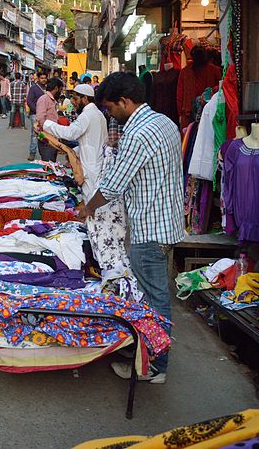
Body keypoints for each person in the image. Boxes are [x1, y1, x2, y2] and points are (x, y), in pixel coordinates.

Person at [78, 72, 184, 384]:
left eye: (111, 108)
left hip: (150, 229)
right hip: (166, 222)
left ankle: (155, 364)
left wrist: (87, 208)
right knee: (154, 293)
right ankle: (148, 353)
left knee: (153, 298)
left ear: (125, 102)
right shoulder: (165, 123)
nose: (110, 114)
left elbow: (112, 186)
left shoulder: (137, 135)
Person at [42, 83, 108, 201]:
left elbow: (69, 134)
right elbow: (91, 141)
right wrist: (73, 151)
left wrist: (47, 124)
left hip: (91, 166)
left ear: (85, 99)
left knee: (90, 200)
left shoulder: (87, 115)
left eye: (75, 98)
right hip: (95, 163)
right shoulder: (97, 114)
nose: (73, 101)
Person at [34, 77, 64, 161]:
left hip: (52, 139)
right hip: (46, 140)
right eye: (60, 90)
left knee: (52, 164)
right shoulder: (44, 99)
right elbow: (40, 119)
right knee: (48, 164)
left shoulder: (52, 100)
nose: (60, 92)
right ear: (56, 88)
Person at [26, 70, 47, 160]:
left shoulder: (48, 88)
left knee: (45, 134)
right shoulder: (34, 88)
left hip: (46, 115)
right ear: (38, 79)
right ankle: (32, 152)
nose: (43, 80)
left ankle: (44, 153)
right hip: (35, 114)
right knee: (35, 133)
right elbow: (29, 101)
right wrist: (37, 111)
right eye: (41, 78)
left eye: (45, 78)